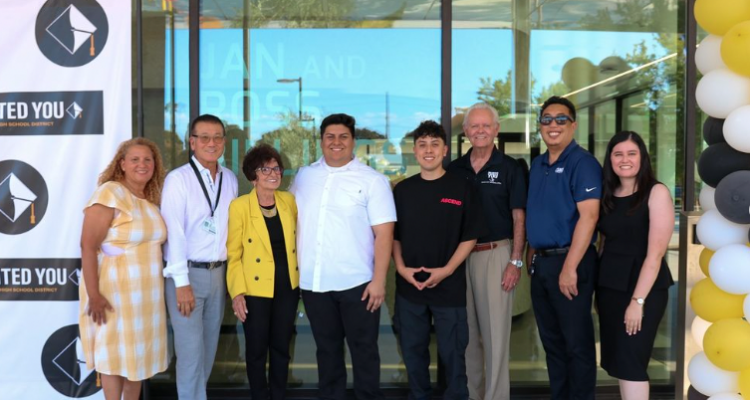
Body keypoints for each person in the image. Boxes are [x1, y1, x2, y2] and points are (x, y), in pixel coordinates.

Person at [291, 113, 396, 400]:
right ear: (321, 141)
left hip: (359, 285)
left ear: (353, 142)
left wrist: (379, 281)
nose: (336, 142)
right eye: (330, 137)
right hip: (314, 285)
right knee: (327, 354)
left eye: (343, 137)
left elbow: (384, 235)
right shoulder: (303, 176)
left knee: (364, 353)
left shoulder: (373, 181)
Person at [393, 120, 482, 400]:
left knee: (454, 356)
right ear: (414, 151)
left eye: (434, 144)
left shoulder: (462, 187)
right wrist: (401, 269)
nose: (428, 150)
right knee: (413, 355)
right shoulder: (402, 191)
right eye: (422, 145)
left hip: (449, 287)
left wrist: (446, 270)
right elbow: (393, 236)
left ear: (445, 150)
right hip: (410, 288)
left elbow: (470, 236)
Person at [447, 103, 526, 400]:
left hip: (495, 255)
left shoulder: (510, 168)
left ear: (496, 129)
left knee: (495, 337)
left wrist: (515, 261)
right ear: (466, 131)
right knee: (466, 337)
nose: (479, 131)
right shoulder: (454, 170)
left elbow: (519, 217)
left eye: (485, 126)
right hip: (459, 258)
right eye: (474, 126)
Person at [79, 138, 168, 400]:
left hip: (147, 296)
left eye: (148, 160)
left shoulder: (150, 199)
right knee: (114, 356)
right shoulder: (110, 193)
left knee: (137, 360)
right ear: (122, 164)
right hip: (114, 292)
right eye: (135, 159)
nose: (142, 164)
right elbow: (87, 246)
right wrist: (94, 295)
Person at [526, 96, 602, 400]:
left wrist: (570, 268)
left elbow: (590, 216)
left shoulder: (582, 163)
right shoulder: (538, 164)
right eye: (546, 120)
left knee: (577, 345)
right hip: (542, 265)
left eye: (560, 119)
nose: (553, 125)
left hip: (571, 263)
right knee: (553, 345)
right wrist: (532, 253)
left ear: (573, 124)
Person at [160, 114, 238, 400]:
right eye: (204, 137)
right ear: (192, 142)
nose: (211, 143)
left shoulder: (229, 179)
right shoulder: (178, 179)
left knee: (207, 351)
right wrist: (181, 283)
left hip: (218, 273)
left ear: (224, 143)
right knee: (191, 355)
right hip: (187, 275)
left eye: (217, 137)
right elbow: (174, 233)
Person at [597, 131, 674, 400]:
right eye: (618, 154)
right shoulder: (608, 193)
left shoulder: (656, 192)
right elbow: (604, 243)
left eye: (632, 153)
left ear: (642, 158)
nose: (624, 159)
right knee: (620, 362)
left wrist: (637, 302)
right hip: (610, 286)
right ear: (610, 159)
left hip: (644, 289)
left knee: (631, 361)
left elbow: (655, 256)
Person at [227, 144, 300, 400]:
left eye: (276, 168)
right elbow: (233, 254)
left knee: (281, 347)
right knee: (257, 350)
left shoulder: (289, 201)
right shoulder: (239, 206)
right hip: (254, 291)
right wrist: (237, 293)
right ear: (252, 176)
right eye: (265, 168)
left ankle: (279, 395)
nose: (273, 173)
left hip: (287, 287)